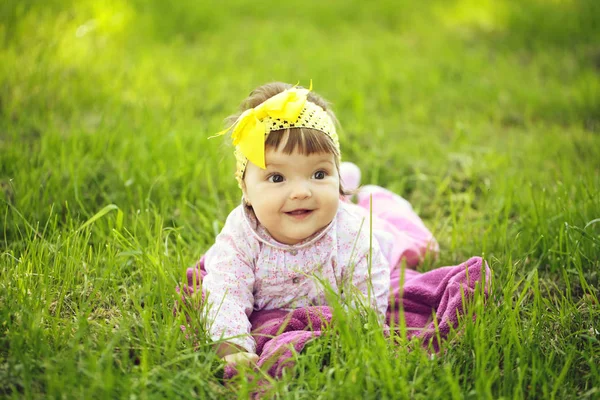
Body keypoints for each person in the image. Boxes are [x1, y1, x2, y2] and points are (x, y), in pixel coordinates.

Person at [197, 82, 439, 368]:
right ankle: (343, 179)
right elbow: (227, 291)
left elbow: (367, 289)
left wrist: (356, 334)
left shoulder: (353, 233)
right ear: (246, 190)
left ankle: (364, 191)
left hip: (362, 225)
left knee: (406, 244)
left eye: (319, 173)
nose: (301, 192)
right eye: (277, 178)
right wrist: (232, 345)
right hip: (325, 207)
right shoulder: (241, 236)